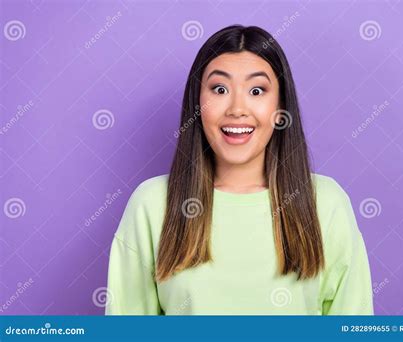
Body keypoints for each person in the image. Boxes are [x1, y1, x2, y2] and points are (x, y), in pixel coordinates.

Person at [105, 25, 374, 315]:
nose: (237, 108)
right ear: (198, 102)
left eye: (257, 90)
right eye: (219, 89)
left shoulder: (326, 202)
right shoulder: (152, 203)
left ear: (280, 105)